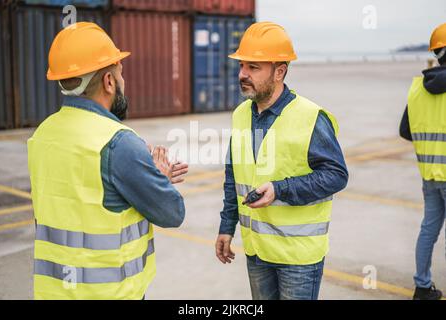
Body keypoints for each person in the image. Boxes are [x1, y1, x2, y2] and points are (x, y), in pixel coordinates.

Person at [27, 22, 188, 299]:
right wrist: (158, 179)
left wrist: (145, 178)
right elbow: (172, 213)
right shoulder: (119, 142)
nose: (123, 82)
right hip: (110, 293)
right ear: (109, 81)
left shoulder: (42, 135)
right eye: (120, 74)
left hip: (53, 292)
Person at [215, 22, 348, 300]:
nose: (242, 74)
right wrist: (227, 227)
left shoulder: (311, 116)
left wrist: (281, 189)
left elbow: (336, 174)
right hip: (257, 251)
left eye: (253, 67)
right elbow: (233, 177)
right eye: (242, 66)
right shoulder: (241, 114)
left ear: (279, 71)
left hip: (298, 257)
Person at [399, 22, 446, 300]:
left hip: (429, 174)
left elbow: (405, 131)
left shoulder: (418, 88)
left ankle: (422, 286)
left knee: (428, 228)